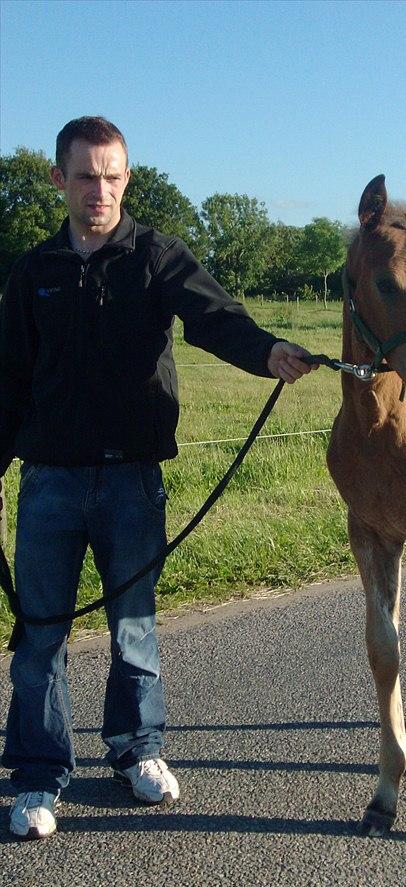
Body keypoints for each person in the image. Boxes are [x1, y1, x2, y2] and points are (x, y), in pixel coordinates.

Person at [0, 116, 316, 840]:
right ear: (60, 179)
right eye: (85, 175)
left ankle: (135, 750)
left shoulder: (156, 256)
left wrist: (267, 352)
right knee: (39, 637)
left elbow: (215, 318)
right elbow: (8, 382)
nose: (99, 189)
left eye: (112, 176)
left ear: (126, 179)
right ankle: (40, 778)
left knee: (133, 628)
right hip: (49, 484)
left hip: (130, 481)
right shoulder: (34, 272)